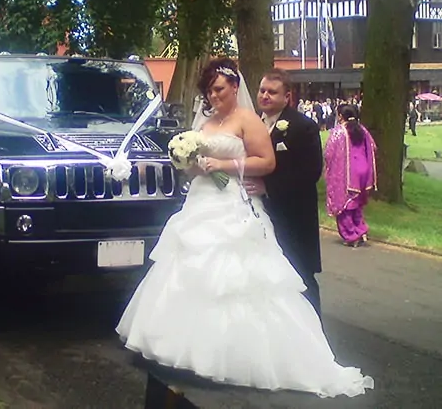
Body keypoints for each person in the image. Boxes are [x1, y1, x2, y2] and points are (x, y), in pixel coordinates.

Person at [116, 58, 373, 398]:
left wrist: (223, 164)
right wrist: (188, 162)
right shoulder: (206, 121)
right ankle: (185, 349)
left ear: (235, 87)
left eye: (219, 89)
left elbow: (266, 162)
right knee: (186, 272)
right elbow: (196, 166)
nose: (214, 95)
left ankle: (238, 357)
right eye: (209, 90)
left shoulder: (247, 120)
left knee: (234, 279)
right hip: (200, 201)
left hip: (231, 203)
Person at [246, 68, 324, 316]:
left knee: (300, 277)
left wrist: (269, 187)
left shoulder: (303, 127)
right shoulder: (250, 124)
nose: (265, 96)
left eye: (272, 92)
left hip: (293, 218)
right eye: (262, 90)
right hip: (256, 215)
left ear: (287, 96)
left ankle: (314, 334)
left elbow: (310, 173)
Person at [324, 104, 377, 247]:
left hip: (348, 173)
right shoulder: (362, 130)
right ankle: (361, 230)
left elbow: (328, 153)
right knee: (356, 203)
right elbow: (373, 147)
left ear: (340, 116)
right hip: (363, 171)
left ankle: (352, 235)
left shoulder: (339, 132)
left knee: (345, 206)